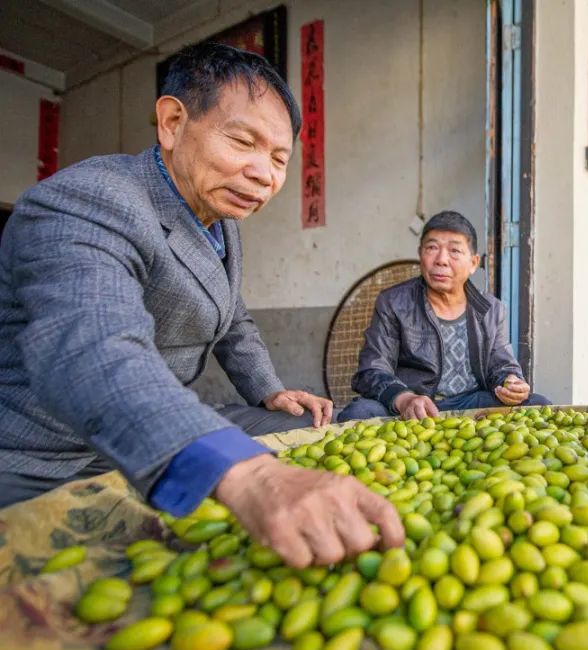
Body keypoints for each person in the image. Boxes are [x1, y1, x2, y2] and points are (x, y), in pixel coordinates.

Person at [0, 42, 403, 566]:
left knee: (323, 431)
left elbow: (232, 316)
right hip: (46, 458)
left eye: (280, 159)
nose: (265, 174)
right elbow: (92, 350)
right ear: (171, 122)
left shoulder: (219, 223)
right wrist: (251, 474)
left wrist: (270, 390)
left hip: (168, 423)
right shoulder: (90, 199)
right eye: (242, 141)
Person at [339, 211, 549, 421]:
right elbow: (372, 369)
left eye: (455, 251)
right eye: (432, 248)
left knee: (538, 406)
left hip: (471, 402)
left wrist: (511, 381)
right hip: (414, 403)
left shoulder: (491, 309)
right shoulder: (393, 302)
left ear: (474, 263)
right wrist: (404, 398)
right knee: (359, 413)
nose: (441, 260)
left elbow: (501, 365)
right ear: (420, 254)